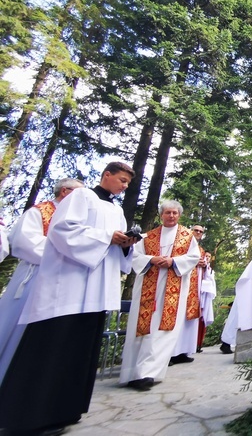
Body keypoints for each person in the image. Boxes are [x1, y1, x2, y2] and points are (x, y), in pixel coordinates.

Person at [0, 161, 136, 435]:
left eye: (127, 183)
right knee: (54, 348)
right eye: (121, 180)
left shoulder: (117, 210)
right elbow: (62, 231)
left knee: (80, 353)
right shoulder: (81, 196)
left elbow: (120, 254)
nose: (124, 186)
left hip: (96, 292)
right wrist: (106, 237)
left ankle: (67, 410)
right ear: (106, 175)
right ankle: (31, 417)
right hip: (70, 289)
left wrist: (125, 244)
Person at [0, 178, 84, 383]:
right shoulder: (39, 212)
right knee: (15, 329)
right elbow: (24, 242)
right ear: (65, 192)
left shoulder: (74, 219)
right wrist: (67, 251)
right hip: (33, 276)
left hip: (62, 280)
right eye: (79, 195)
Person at [119, 200, 200, 390]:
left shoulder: (188, 237)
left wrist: (173, 261)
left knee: (164, 331)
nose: (171, 216)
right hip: (148, 287)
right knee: (142, 329)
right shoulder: (148, 236)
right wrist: (151, 259)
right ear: (161, 215)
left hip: (174, 287)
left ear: (179, 215)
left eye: (174, 213)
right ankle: (132, 372)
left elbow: (193, 258)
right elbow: (135, 257)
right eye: (167, 213)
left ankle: (148, 374)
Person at [190, 225, 216, 353]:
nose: (198, 232)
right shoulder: (184, 245)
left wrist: (205, 266)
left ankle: (188, 348)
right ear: (191, 231)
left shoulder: (200, 249)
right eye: (196, 230)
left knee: (195, 318)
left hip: (197, 288)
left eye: (201, 231)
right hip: (184, 286)